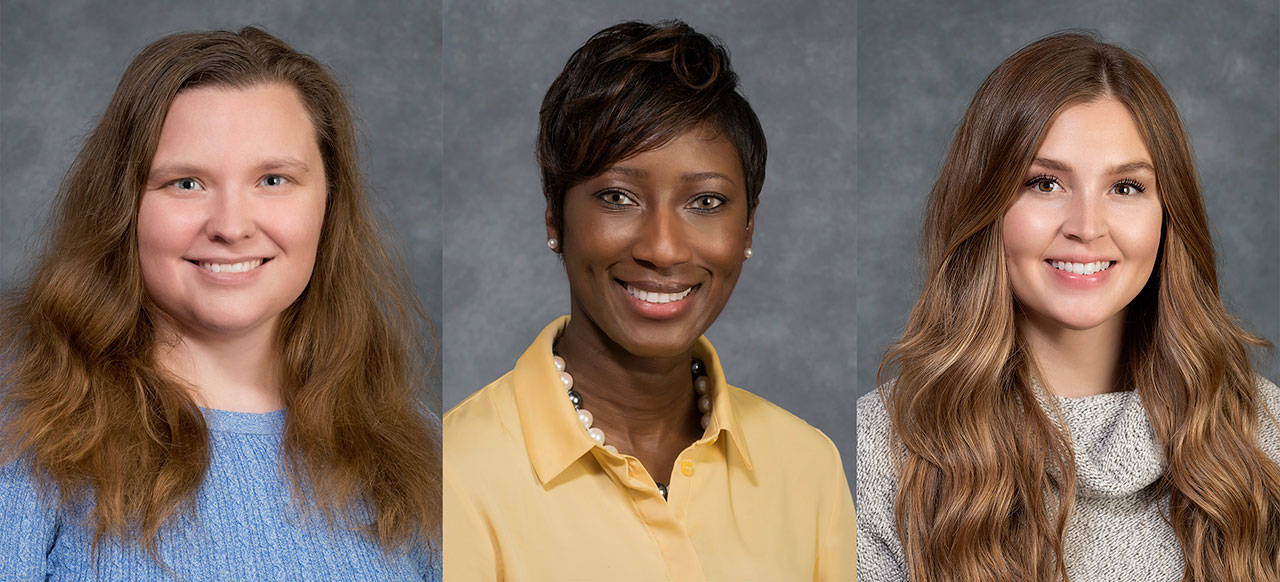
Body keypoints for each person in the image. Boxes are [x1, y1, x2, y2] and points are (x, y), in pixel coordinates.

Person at [0, 28, 440, 579]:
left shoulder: (418, 453)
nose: (231, 227)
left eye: (273, 179)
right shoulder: (21, 438)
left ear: (330, 203)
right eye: (186, 184)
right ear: (124, 206)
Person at [857, 32, 1280, 581]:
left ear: (1168, 214)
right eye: (1045, 183)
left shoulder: (1263, 434)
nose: (1086, 227)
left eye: (1125, 187)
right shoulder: (878, 450)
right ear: (986, 204)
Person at [444, 20, 856, 580]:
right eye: (618, 197)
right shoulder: (455, 473)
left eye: (706, 202)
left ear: (749, 229)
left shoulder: (810, 468)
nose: (662, 249)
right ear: (555, 218)